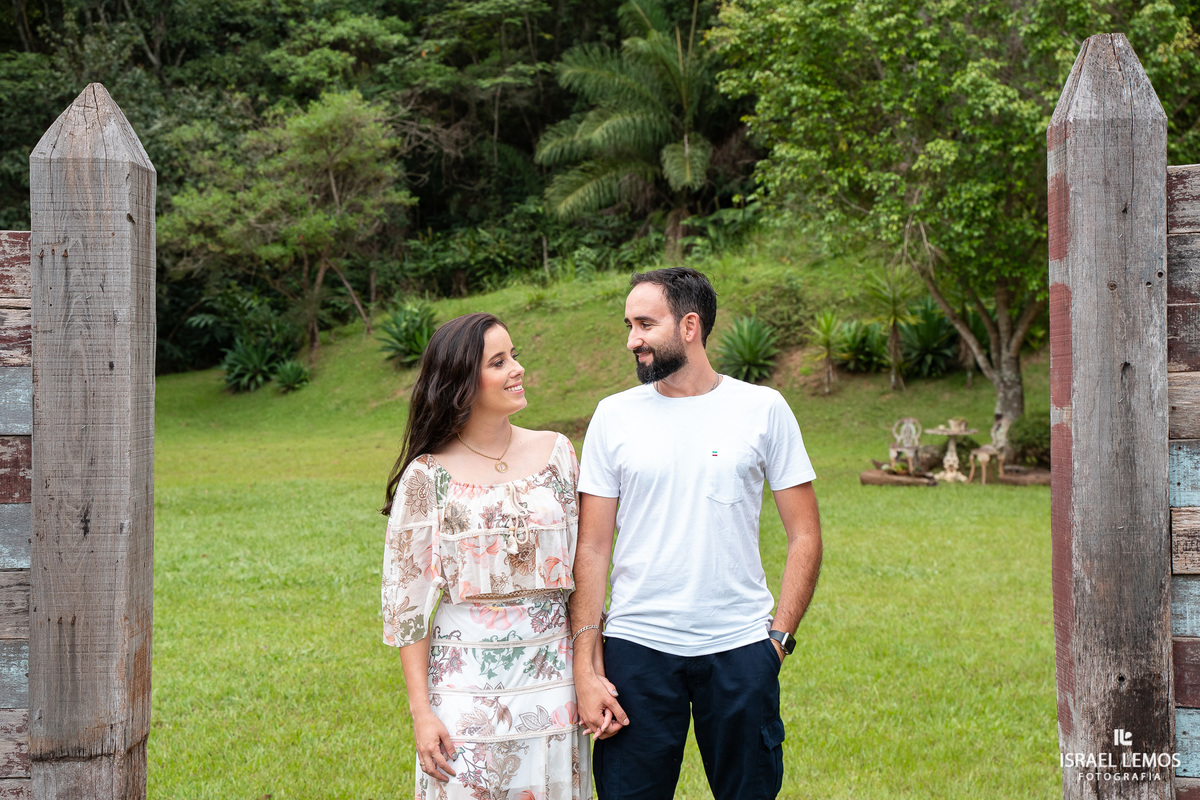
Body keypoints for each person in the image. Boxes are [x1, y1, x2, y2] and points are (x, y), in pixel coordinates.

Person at [570, 267, 823, 800]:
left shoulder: (763, 408)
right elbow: (591, 548)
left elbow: (804, 535)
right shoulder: (613, 416)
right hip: (636, 650)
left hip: (739, 648)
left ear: (690, 326)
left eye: (644, 324)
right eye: (629, 324)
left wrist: (775, 643)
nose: (631, 339)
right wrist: (587, 666)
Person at [381, 312, 592, 800]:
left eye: (514, 355)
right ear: (460, 383)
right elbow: (406, 608)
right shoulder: (426, 476)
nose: (517, 368)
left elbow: (586, 566)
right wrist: (422, 712)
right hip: (466, 687)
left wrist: (589, 670)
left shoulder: (558, 452)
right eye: (499, 362)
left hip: (554, 681)